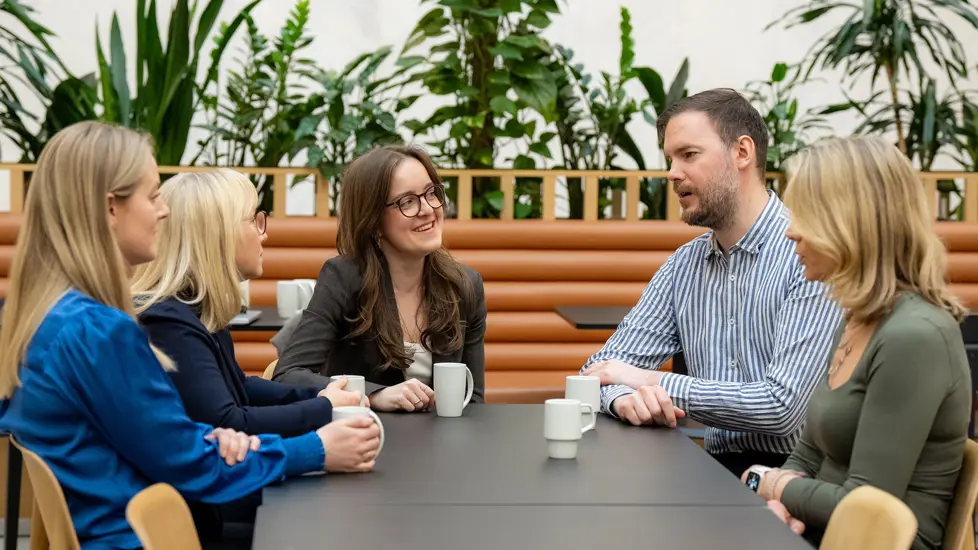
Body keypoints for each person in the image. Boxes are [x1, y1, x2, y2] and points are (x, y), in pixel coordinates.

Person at [0, 121, 381, 550]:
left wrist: (208, 438)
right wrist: (316, 449)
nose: (163, 211)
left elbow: (155, 441)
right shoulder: (100, 333)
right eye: (152, 195)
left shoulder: (48, 318)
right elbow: (189, 467)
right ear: (111, 209)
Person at [580, 88, 842, 477]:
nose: (672, 172)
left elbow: (782, 409)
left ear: (742, 152)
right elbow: (598, 371)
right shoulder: (684, 266)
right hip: (713, 473)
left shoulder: (809, 256)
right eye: (670, 158)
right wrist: (623, 399)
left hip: (801, 481)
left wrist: (647, 381)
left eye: (689, 155)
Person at [741, 135, 970, 550]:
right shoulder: (856, 317)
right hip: (822, 531)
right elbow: (808, 454)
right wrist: (783, 504)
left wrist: (767, 483)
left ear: (849, 223)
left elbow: (865, 504)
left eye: (805, 215)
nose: (791, 232)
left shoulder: (914, 336)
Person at [132, 169, 363, 439]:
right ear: (218, 235)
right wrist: (323, 408)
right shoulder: (169, 323)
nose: (263, 234)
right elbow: (226, 421)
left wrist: (322, 394)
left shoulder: (196, 308)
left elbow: (239, 387)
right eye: (254, 220)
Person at [271, 145, 487, 411]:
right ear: (373, 220)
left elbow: (474, 401)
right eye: (407, 201)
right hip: (366, 441)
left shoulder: (464, 285)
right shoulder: (344, 277)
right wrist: (372, 396)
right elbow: (287, 376)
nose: (428, 209)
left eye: (432, 193)